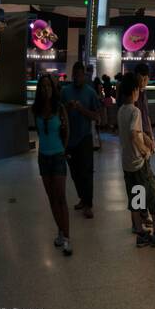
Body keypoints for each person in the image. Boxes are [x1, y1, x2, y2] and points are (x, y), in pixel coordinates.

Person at [118, 73, 155, 247]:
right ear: (135, 90)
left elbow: (135, 131)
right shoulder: (135, 110)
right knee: (154, 195)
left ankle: (140, 232)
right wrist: (145, 151)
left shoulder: (122, 110)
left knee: (136, 196)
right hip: (138, 163)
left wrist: (146, 137)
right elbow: (133, 134)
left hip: (127, 163)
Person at [31, 74, 71, 254]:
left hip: (57, 156)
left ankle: (67, 237)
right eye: (43, 86)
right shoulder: (36, 109)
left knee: (61, 197)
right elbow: (39, 132)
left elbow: (66, 130)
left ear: (52, 89)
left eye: (48, 86)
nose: (46, 89)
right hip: (43, 158)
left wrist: (62, 149)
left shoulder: (59, 108)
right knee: (52, 198)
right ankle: (61, 231)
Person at [60, 61, 102, 219]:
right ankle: (82, 199)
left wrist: (81, 109)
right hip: (69, 139)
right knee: (74, 172)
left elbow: (97, 117)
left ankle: (88, 204)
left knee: (87, 172)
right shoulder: (65, 91)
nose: (76, 78)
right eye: (74, 75)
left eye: (79, 75)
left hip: (85, 138)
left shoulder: (90, 93)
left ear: (84, 76)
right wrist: (67, 108)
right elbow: (59, 112)